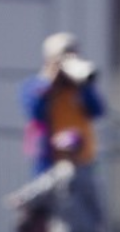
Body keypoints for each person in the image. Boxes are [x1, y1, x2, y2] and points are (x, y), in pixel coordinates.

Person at [2, 126, 103, 232]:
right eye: (66, 150)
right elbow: (38, 190)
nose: (69, 153)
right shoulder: (59, 173)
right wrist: (20, 199)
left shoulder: (84, 174)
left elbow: (97, 205)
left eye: (72, 149)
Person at [21, 32, 105, 175]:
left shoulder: (79, 88)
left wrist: (83, 84)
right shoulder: (35, 86)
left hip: (82, 161)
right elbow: (36, 113)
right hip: (50, 164)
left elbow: (98, 110)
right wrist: (50, 82)